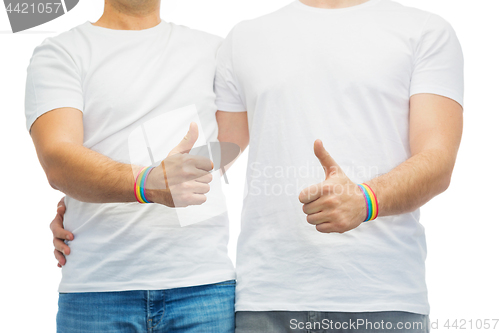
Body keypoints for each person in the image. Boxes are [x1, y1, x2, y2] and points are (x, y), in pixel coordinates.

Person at [51, 0, 464, 332]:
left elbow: (438, 161)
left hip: (384, 298)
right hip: (265, 301)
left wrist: (366, 200)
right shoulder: (244, 39)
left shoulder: (425, 31)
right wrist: (85, 203)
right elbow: (214, 154)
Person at [25, 0, 239, 332]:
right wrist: (147, 182)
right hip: (97, 292)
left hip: (204, 286)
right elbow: (57, 159)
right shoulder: (62, 52)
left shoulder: (215, 52)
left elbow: (236, 138)